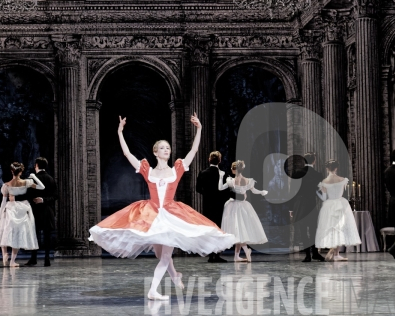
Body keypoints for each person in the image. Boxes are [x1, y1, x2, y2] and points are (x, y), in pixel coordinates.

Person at [89, 114, 236, 301]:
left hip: (171, 214)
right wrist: (120, 132)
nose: (166, 150)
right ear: (155, 152)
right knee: (161, 254)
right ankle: (175, 275)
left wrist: (199, 129)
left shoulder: (177, 169)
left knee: (165, 255)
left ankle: (153, 290)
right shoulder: (147, 170)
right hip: (152, 214)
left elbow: (194, 150)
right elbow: (127, 154)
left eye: (168, 147)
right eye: (162, 148)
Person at [0, 162, 45, 267]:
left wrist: (0, 212)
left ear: (11, 171)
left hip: (10, 207)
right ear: (21, 172)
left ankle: (4, 253)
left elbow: (3, 201)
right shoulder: (26, 182)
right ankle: (12, 261)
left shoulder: (6, 185)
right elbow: (42, 187)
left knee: (5, 231)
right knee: (17, 234)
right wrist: (34, 177)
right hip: (22, 208)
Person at [219, 160, 268, 262]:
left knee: (238, 232)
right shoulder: (247, 181)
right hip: (244, 207)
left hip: (233, 207)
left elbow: (220, 188)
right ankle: (237, 256)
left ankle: (246, 250)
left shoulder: (231, 181)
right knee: (239, 232)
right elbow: (254, 190)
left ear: (234, 169)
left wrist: (220, 177)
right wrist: (262, 192)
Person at [314, 159, 361, 261]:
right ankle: (336, 253)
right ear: (336, 168)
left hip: (329, 205)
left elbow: (324, 198)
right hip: (340, 203)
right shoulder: (343, 180)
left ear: (327, 169)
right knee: (340, 227)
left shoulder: (324, 182)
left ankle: (334, 253)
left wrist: (317, 193)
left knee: (331, 228)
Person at [16, 157, 57, 267]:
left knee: (34, 235)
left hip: (35, 211)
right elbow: (55, 196)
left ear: (36, 165)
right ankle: (47, 259)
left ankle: (33, 258)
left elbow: (27, 195)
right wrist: (44, 200)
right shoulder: (51, 179)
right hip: (47, 211)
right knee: (47, 235)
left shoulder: (32, 179)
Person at [195, 151, 235, 263]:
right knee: (218, 229)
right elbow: (226, 190)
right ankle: (216, 255)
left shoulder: (203, 173)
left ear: (209, 160)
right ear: (220, 161)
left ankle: (210, 255)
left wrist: (207, 194)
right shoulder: (222, 173)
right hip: (219, 205)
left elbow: (198, 189)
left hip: (207, 205)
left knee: (209, 229)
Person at [291, 152, 325, 262]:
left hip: (300, 204)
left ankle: (307, 255)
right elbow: (320, 191)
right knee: (313, 229)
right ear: (314, 161)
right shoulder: (318, 174)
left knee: (303, 230)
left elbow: (292, 192)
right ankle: (315, 253)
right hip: (311, 204)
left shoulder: (297, 173)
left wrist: (291, 208)